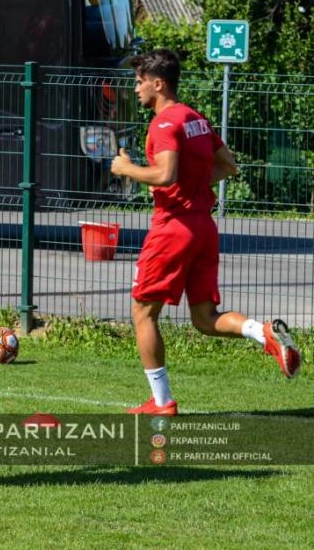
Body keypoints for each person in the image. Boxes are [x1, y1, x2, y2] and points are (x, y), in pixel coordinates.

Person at [110, 48, 303, 416]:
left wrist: (127, 169)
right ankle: (262, 333)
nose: (136, 89)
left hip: (172, 229)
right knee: (204, 318)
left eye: (139, 82)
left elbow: (165, 174)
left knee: (142, 314)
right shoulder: (196, 119)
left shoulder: (164, 123)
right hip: (203, 227)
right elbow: (229, 165)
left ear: (158, 83)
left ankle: (162, 402)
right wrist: (192, 186)